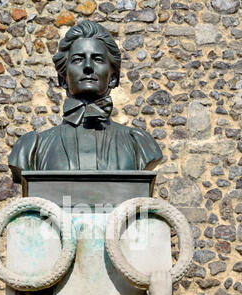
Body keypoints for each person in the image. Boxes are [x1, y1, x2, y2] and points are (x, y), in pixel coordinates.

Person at [9, 21, 163, 181]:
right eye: (78, 59)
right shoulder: (32, 148)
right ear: (63, 79)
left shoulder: (139, 144)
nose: (88, 66)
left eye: (97, 59)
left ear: (113, 78)